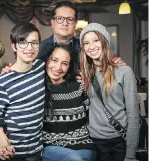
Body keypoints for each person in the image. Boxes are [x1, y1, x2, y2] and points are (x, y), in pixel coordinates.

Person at [0, 22, 45, 161]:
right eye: (23, 42)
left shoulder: (41, 68)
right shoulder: (1, 82)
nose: (29, 48)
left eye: (34, 43)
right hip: (12, 153)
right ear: (13, 45)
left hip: (37, 151)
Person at [79, 22, 140, 161]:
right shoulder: (86, 74)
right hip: (94, 141)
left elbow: (133, 115)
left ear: (104, 42)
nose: (91, 46)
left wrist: (130, 154)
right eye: (86, 43)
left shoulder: (124, 71)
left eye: (96, 40)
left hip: (119, 140)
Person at [42, 44, 96, 161]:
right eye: (54, 60)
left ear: (69, 67)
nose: (58, 67)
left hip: (83, 145)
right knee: (75, 159)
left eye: (64, 63)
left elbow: (93, 114)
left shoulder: (79, 87)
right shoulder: (38, 88)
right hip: (51, 147)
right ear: (47, 60)